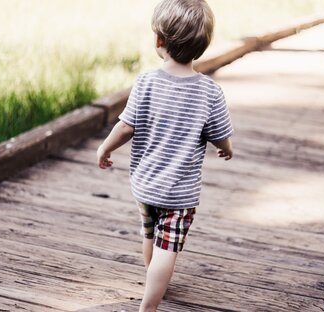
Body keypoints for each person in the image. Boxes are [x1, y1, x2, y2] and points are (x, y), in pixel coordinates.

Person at [96, 0, 233, 310]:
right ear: (202, 45)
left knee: (150, 233)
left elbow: (126, 126)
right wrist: (226, 149)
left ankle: (152, 281)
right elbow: (219, 135)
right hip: (179, 193)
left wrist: (105, 147)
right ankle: (150, 304)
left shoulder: (146, 82)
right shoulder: (209, 92)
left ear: (159, 41)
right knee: (167, 247)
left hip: (145, 185)